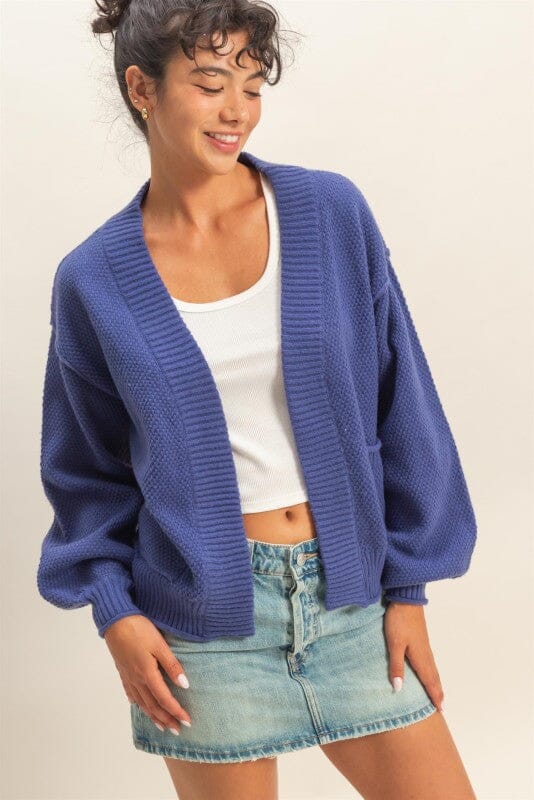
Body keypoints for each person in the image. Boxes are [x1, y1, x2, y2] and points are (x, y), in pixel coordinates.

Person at [36, 1, 479, 797]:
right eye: (210, 84)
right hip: (202, 628)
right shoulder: (93, 279)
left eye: (250, 85)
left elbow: (404, 402)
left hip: (353, 601)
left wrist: (408, 591)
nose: (236, 110)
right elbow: (85, 472)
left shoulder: (330, 213)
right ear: (142, 88)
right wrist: (116, 614)